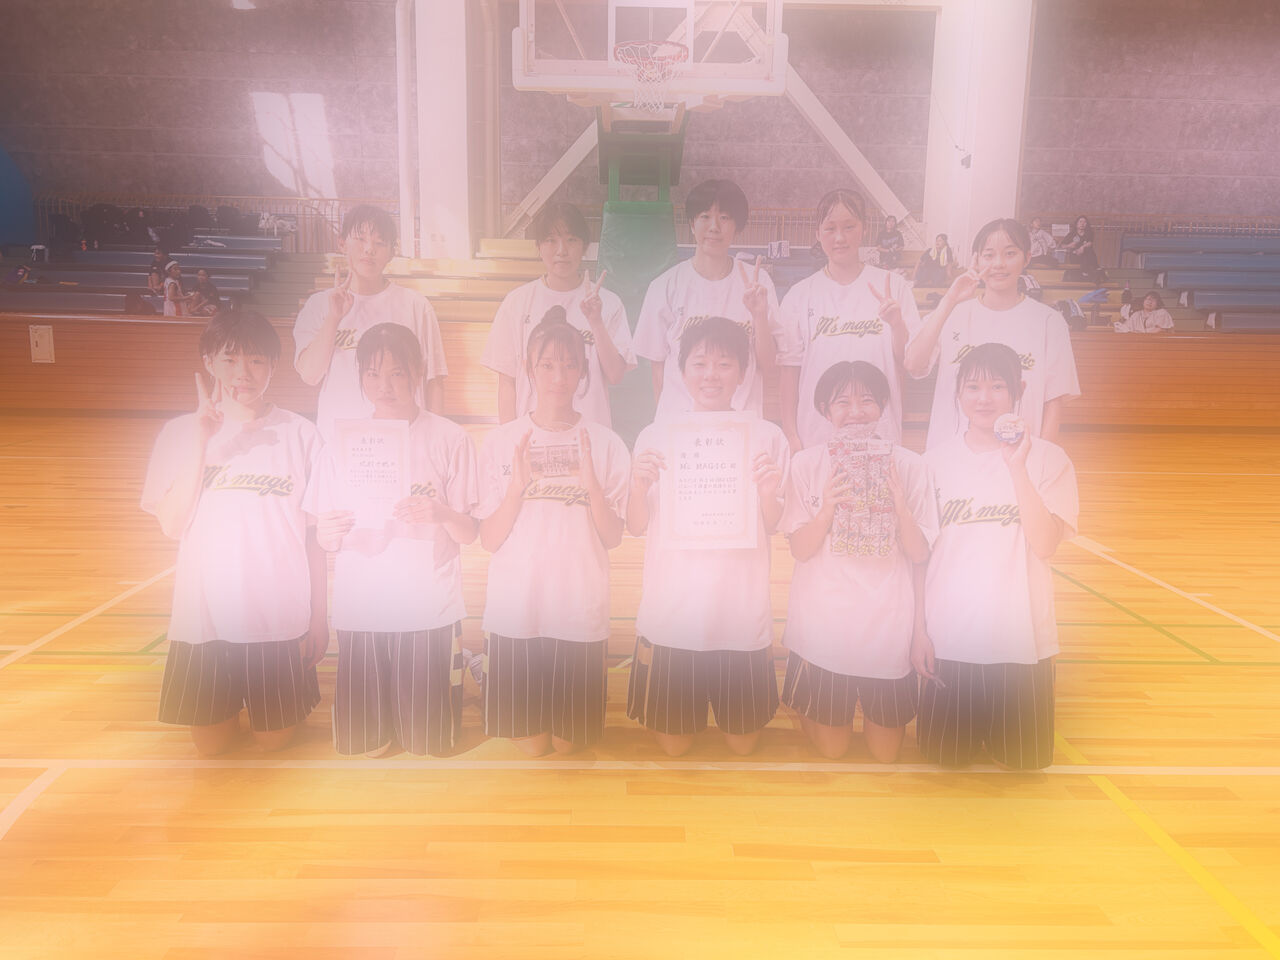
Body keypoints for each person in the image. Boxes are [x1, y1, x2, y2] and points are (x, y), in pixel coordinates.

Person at [140, 309, 326, 755]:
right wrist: (202, 442)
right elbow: (172, 524)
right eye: (229, 359)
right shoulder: (180, 433)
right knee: (211, 746)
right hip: (205, 620)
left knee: (274, 742)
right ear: (208, 362)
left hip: (276, 619)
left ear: (273, 365)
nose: (244, 373)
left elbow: (314, 539)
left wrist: (319, 618)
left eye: (256, 360)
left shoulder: (301, 434)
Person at [306, 323, 479, 757]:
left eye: (397, 373)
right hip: (363, 603)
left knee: (427, 745)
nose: (384, 386)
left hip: (428, 605)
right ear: (360, 376)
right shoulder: (341, 443)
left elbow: (469, 532)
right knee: (368, 747)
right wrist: (328, 533)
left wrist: (441, 513)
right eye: (372, 374)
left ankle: (472, 667)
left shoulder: (450, 438)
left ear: (418, 371)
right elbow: (324, 535)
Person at [626, 316, 789, 757]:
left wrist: (769, 493)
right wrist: (637, 487)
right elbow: (636, 525)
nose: (711, 375)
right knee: (674, 748)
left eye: (724, 363)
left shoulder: (767, 436)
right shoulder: (656, 435)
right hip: (674, 612)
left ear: (743, 372)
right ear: (682, 371)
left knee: (743, 745)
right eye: (700, 363)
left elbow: (773, 524)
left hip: (739, 612)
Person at [914, 343, 1078, 770]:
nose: (984, 398)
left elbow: (1045, 545)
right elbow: (919, 559)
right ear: (958, 393)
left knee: (1022, 762)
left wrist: (1016, 466)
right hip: (951, 639)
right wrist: (919, 632)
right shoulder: (933, 463)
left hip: (1021, 641)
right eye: (973, 387)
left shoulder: (1050, 460)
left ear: (1017, 390)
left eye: (997, 386)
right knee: (946, 758)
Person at [475, 312, 631, 756]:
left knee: (567, 745)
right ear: (529, 369)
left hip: (579, 607)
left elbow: (613, 537)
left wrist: (592, 487)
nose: (558, 377)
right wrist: (516, 489)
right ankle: (482, 669)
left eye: (569, 365)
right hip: (517, 608)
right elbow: (489, 540)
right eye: (547, 365)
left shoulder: (606, 443)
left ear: (583, 371)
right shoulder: (501, 442)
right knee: (532, 748)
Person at [780, 361, 937, 761]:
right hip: (825, 620)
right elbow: (800, 550)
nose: (855, 411)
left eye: (867, 400)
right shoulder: (806, 464)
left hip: (887, 621)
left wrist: (900, 508)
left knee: (886, 754)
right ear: (824, 410)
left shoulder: (910, 465)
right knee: (832, 751)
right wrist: (826, 511)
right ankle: (810, 705)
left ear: (883, 406)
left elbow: (920, 553)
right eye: (842, 402)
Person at [904, 217, 1080, 450]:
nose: (998, 264)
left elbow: (1054, 403)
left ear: (1027, 258)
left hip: (1017, 459)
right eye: (989, 255)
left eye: (1010, 254)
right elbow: (913, 364)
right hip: (950, 458)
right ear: (976, 260)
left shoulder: (1050, 322)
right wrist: (949, 300)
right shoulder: (952, 313)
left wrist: (1042, 459)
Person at [778, 188, 922, 452]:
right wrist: (790, 432)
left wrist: (897, 324)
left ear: (864, 229)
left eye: (849, 227)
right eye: (830, 228)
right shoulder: (799, 295)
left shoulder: (893, 286)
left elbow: (908, 363)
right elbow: (789, 371)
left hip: (879, 435)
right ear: (817, 233)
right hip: (817, 435)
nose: (840, 237)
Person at [293, 204, 448, 442]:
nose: (369, 249)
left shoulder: (416, 306)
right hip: (339, 437)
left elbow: (434, 380)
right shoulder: (318, 305)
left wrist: (435, 439)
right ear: (342, 243)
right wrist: (333, 318)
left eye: (380, 243)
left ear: (391, 253)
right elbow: (309, 375)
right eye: (361, 239)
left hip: (403, 438)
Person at [634, 179, 780, 422]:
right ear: (692, 224)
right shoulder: (665, 286)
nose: (714, 227)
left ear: (737, 227)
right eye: (705, 216)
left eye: (724, 217)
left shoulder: (757, 282)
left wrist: (759, 316)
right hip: (681, 423)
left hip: (741, 423)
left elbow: (768, 365)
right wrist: (667, 423)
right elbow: (657, 368)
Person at [481, 201, 635, 427]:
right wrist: (509, 438)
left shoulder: (609, 303)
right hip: (532, 438)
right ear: (539, 247)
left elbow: (615, 375)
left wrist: (596, 322)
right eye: (551, 240)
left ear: (584, 246)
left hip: (590, 435)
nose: (561, 251)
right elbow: (507, 382)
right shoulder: (516, 303)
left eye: (571, 240)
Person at [1062, 215, 1102, 281]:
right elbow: (1062, 245)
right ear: (1076, 224)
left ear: (1086, 224)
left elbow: (1090, 243)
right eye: (1080, 222)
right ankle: (1096, 268)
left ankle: (1086, 272)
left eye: (1084, 222)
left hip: (1086, 256)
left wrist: (1082, 248)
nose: (1082, 224)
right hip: (1075, 255)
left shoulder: (1089, 233)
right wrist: (1069, 245)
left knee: (1088, 250)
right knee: (1087, 252)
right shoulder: (1071, 234)